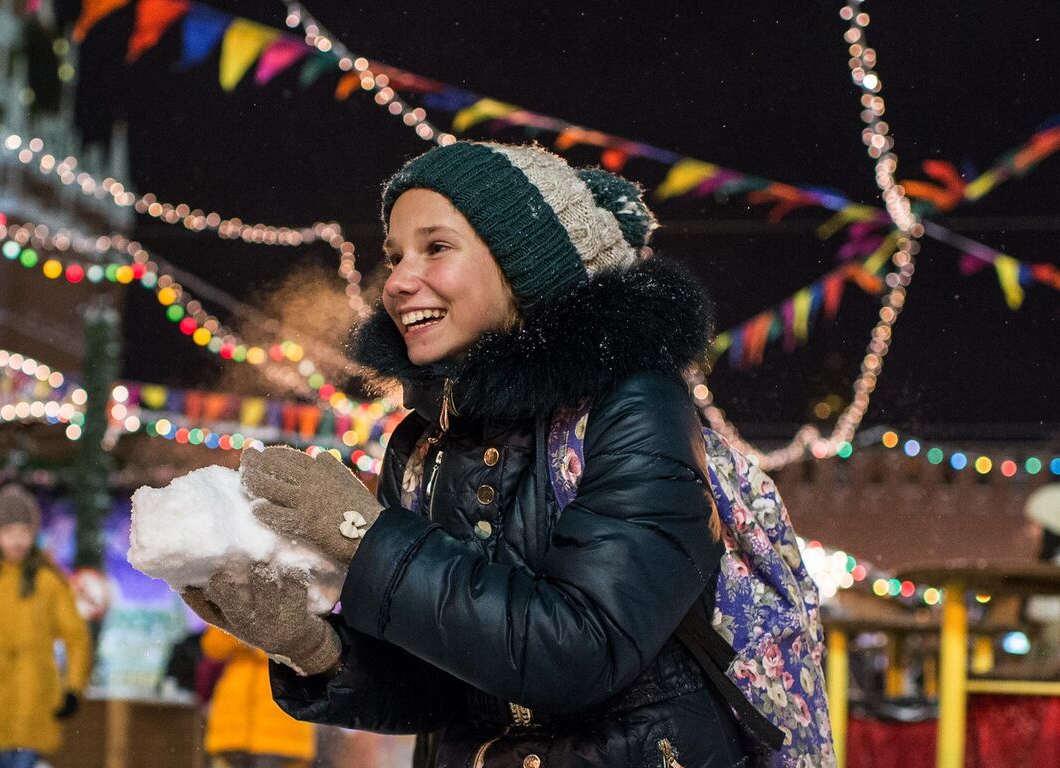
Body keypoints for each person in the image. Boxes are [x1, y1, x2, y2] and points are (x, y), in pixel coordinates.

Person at [184, 142, 754, 767]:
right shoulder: (421, 442)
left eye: (436, 247)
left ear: (524, 266)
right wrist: (315, 649)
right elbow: (451, 683)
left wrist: (365, 537)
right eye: (394, 255)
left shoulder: (633, 405)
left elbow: (581, 650)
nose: (398, 281)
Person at [0, 484, 91, 768]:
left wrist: (72, 688)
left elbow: (76, 637)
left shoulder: (49, 583)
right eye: (9, 532)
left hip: (32, 704)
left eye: (24, 532)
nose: (17, 540)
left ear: (33, 534)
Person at [199, 625, 317, 768]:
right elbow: (213, 647)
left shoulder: (302, 607)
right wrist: (235, 621)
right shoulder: (236, 608)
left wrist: (252, 639)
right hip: (232, 728)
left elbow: (307, 650)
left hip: (283, 730)